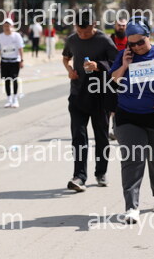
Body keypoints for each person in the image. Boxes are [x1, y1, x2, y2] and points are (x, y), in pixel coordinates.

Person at [110, 16, 154, 224]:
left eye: (140, 42)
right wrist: (124, 65)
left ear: (148, 37)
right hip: (128, 116)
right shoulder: (124, 55)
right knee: (132, 159)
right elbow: (114, 81)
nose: (137, 47)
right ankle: (131, 207)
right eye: (132, 43)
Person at [62, 11, 119, 192]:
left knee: (101, 136)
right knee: (78, 136)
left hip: (99, 95)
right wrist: (69, 70)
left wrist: (99, 66)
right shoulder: (72, 39)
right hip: (78, 95)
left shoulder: (104, 40)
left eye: (86, 32)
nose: (82, 35)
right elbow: (66, 57)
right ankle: (79, 176)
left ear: (94, 25)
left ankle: (101, 172)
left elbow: (117, 63)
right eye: (79, 31)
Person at [0, 19, 25, 108]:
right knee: (7, 80)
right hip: (4, 61)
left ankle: (15, 99)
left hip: (15, 61)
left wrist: (22, 60)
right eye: (5, 26)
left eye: (8, 26)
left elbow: (20, 48)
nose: (6, 28)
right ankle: (9, 99)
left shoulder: (16, 36)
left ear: (11, 26)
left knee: (14, 79)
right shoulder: (0, 37)